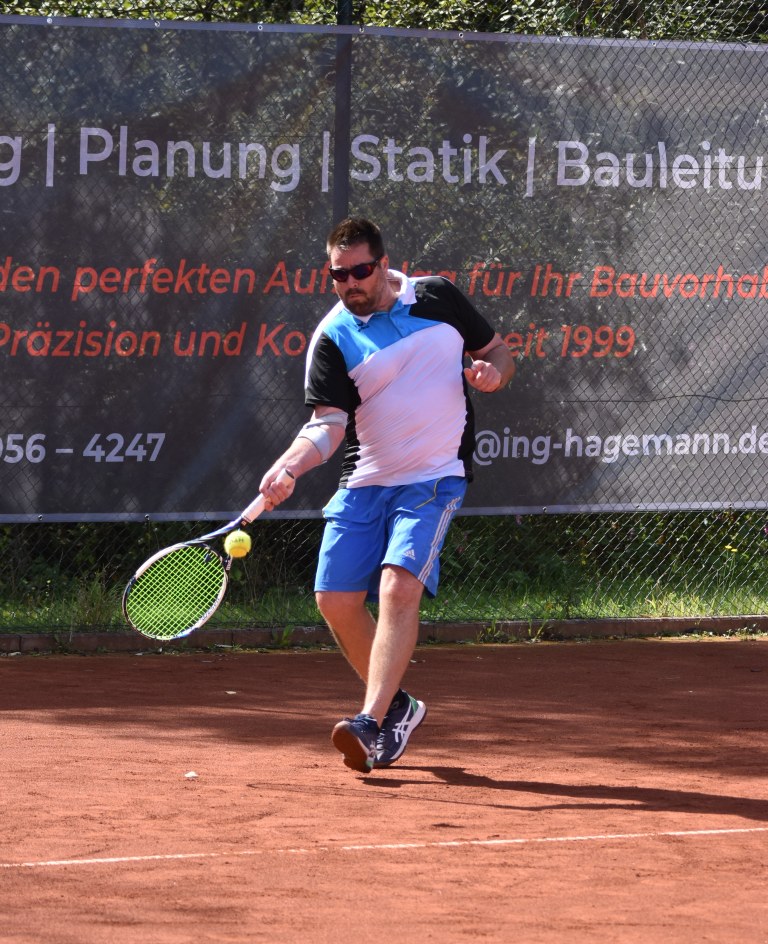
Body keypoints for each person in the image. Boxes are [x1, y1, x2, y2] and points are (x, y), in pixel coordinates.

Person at [258, 217, 516, 774]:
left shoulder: (438, 296)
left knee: (399, 586)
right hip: (365, 478)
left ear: (383, 263)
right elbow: (327, 425)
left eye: (360, 271)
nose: (350, 283)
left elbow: (499, 352)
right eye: (338, 275)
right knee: (335, 600)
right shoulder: (333, 337)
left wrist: (493, 375)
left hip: (434, 476)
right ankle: (399, 707)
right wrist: (290, 467)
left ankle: (369, 722)